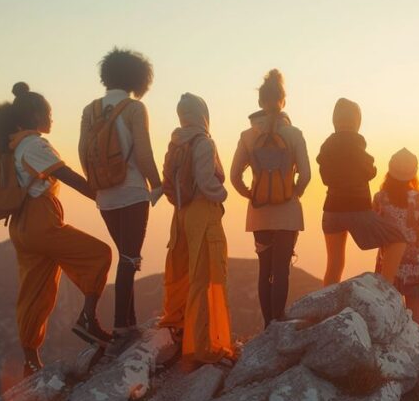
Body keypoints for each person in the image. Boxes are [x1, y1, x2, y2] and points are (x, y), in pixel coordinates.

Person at [0, 82, 112, 376]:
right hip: (41, 219)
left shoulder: (15, 145)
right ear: (35, 116)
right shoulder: (34, 144)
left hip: (21, 225)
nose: (52, 118)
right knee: (99, 254)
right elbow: (68, 177)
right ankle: (88, 319)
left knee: (35, 290)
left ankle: (31, 360)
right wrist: (106, 197)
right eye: (48, 113)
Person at [79, 48, 164, 354]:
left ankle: (128, 321)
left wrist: (99, 187)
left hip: (105, 195)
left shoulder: (90, 109)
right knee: (130, 258)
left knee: (125, 255)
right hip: (131, 191)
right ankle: (120, 328)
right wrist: (158, 183)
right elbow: (143, 152)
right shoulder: (134, 109)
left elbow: (82, 152)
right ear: (138, 78)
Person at [229, 69, 310, 327]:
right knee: (282, 269)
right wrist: (292, 193)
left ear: (260, 102)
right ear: (283, 101)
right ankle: (279, 321)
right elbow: (306, 175)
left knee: (265, 269)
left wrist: (253, 194)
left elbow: (234, 176)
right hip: (287, 212)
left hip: (259, 212)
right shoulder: (294, 134)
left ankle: (267, 325)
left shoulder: (248, 135)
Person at [158, 92, 234, 367]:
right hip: (202, 214)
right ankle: (201, 346)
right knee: (204, 278)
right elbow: (205, 180)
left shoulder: (176, 142)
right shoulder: (203, 142)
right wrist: (222, 194)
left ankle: (177, 326)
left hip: (180, 214)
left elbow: (169, 178)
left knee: (181, 273)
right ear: (203, 114)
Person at [316, 98, 407, 287]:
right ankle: (385, 287)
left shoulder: (327, 146)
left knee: (334, 264)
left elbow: (325, 176)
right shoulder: (357, 142)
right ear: (356, 120)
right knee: (398, 238)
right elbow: (368, 170)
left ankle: (327, 303)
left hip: (331, 210)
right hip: (357, 208)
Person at [372, 148, 419, 324]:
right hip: (416, 267)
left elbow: (374, 232)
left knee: (389, 318)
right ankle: (417, 351)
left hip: (387, 267)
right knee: (416, 319)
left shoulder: (380, 198)